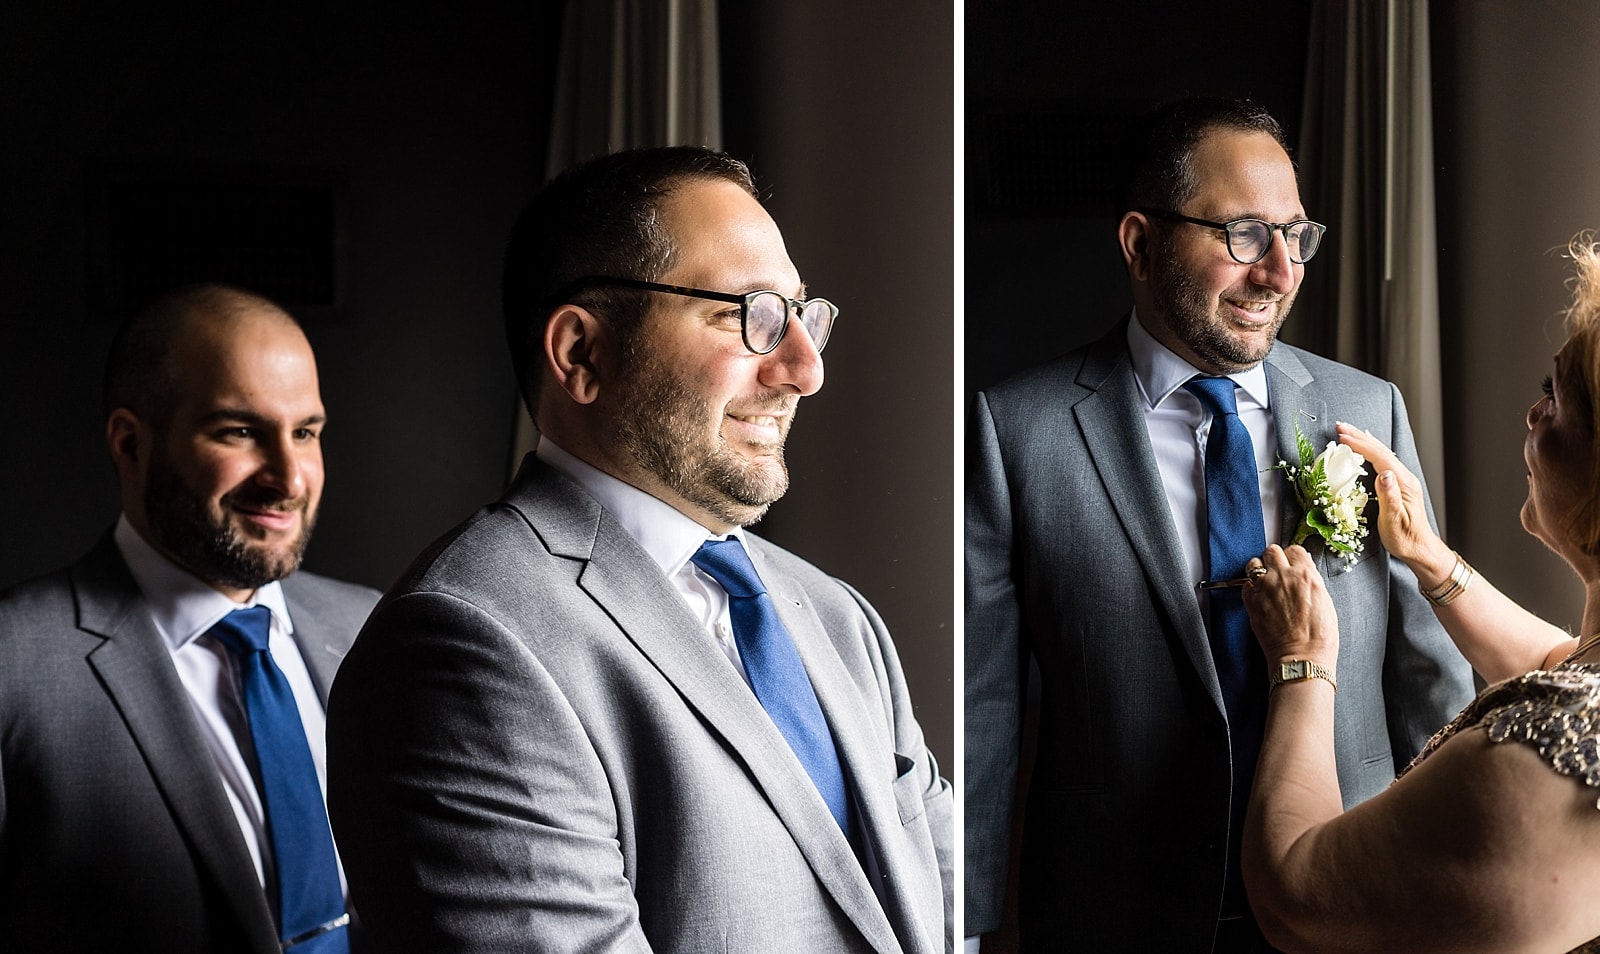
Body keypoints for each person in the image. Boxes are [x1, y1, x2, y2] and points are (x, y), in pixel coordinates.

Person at [326, 146, 953, 954]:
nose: (805, 368)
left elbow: (939, 905)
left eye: (803, 314)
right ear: (581, 353)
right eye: (749, 313)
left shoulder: (840, 619)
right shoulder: (461, 646)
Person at [963, 96, 1476, 952]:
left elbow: (1429, 673)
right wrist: (968, 927)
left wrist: (1454, 886)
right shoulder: (1018, 432)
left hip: (1349, 904)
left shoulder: (1367, 410)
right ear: (1141, 243)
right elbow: (984, 713)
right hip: (1121, 919)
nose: (1279, 272)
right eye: (1243, 235)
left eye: (1297, 236)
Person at [1239, 236, 1600, 954]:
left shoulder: (1541, 771)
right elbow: (1564, 663)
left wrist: (1304, 662)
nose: (1533, 414)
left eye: (1554, 397)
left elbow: (1292, 896)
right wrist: (1431, 562)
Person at [0, 284, 380, 953]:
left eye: (305, 432)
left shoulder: (374, 631)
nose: (289, 477)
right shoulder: (13, 664)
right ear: (129, 443)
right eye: (239, 431)